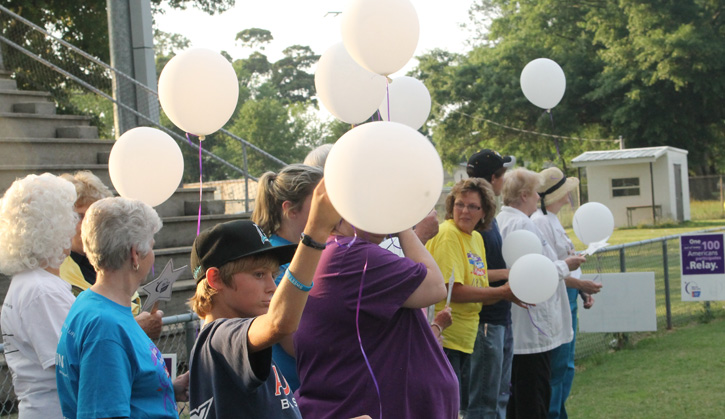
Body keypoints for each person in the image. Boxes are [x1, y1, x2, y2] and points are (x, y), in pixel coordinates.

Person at [187, 180, 344, 418]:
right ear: (216, 279)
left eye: (273, 276)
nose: (272, 287)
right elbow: (280, 322)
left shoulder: (235, 340)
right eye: (259, 274)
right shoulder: (218, 337)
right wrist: (315, 234)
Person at [294, 218, 459, 419]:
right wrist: (403, 225)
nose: (380, 215)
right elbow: (435, 287)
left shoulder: (341, 251)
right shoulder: (354, 254)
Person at [55, 197, 189, 418]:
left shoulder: (90, 303)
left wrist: (165, 389)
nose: (152, 255)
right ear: (135, 254)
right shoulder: (105, 327)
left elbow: (117, 390)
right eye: (152, 246)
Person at [496, 168, 586, 419]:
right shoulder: (521, 224)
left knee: (522, 396)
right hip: (530, 328)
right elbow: (535, 271)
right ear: (524, 195)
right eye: (535, 193)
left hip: (523, 326)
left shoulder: (506, 220)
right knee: (533, 397)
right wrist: (566, 265)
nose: (538, 198)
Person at [426, 177, 521, 415]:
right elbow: (453, 290)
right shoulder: (449, 234)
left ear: (484, 211)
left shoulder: (475, 238)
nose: (464, 211)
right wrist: (501, 291)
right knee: (455, 410)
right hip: (445, 338)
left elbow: (476, 283)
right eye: (459, 204)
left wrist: (507, 291)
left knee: (466, 408)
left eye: (472, 206)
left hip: (466, 339)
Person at [0, 173, 78, 419]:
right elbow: (74, 365)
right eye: (70, 215)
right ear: (54, 225)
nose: (76, 224)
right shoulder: (41, 290)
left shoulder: (31, 283)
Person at [531, 167, 602, 419]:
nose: (569, 195)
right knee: (558, 366)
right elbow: (551, 269)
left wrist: (581, 291)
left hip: (569, 295)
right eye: (565, 191)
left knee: (566, 366)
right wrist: (580, 286)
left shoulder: (551, 219)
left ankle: (559, 411)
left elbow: (562, 261)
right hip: (558, 298)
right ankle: (553, 413)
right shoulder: (540, 222)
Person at [58, 170, 163, 339]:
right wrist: (136, 330)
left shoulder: (114, 266)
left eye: (95, 216)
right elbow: (85, 341)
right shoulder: (56, 276)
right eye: (80, 216)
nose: (88, 224)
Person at [251, 163, 323, 391]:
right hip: (289, 392)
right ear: (291, 210)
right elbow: (293, 342)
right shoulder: (272, 262)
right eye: (320, 202)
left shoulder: (309, 253)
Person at [465, 149, 517, 419]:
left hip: (500, 316)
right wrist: (510, 275)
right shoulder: (475, 223)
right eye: (503, 174)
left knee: (499, 397)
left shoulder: (490, 217)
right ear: (495, 178)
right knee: (484, 404)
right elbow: (473, 274)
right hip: (486, 322)